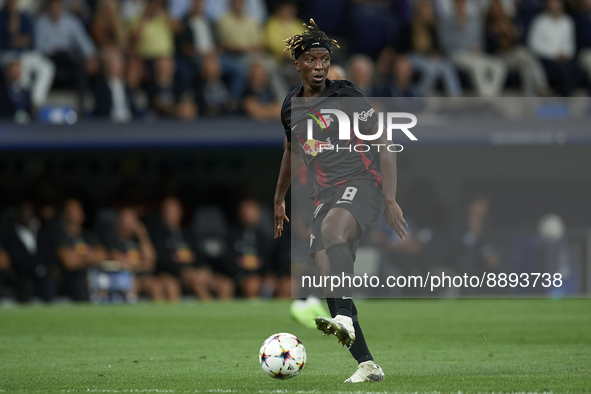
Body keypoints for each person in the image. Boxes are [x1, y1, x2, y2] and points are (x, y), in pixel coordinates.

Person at [273, 19, 407, 383]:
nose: (319, 66)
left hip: (362, 184)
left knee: (333, 231)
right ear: (297, 63)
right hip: (326, 195)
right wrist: (278, 198)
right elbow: (290, 152)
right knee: (327, 277)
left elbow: (384, 142)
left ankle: (345, 317)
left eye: (324, 60)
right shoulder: (290, 107)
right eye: (312, 60)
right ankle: (367, 364)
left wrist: (391, 199)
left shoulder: (346, 95)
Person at [439, 0, 507, 96]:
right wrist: (459, 26)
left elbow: (480, 41)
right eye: (458, 3)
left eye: (462, 2)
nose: (460, 5)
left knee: (499, 66)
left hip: (475, 55)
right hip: (457, 54)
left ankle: (490, 97)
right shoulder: (446, 21)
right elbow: (445, 44)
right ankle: (487, 99)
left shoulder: (474, 20)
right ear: (453, 4)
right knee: (477, 66)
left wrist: (477, 48)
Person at [55, 198, 108, 301]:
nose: (73, 214)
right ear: (64, 214)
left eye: (76, 210)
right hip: (69, 279)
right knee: (79, 281)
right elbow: (69, 262)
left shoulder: (89, 236)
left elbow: (103, 256)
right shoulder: (60, 236)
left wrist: (79, 258)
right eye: (70, 211)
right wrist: (90, 257)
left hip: (92, 277)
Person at [527, 0, 577, 96]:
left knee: (576, 71)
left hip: (565, 59)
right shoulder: (539, 21)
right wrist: (555, 54)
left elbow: (570, 44)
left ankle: (566, 102)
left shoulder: (567, 21)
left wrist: (566, 54)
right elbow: (533, 45)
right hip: (546, 59)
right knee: (562, 72)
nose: (555, 5)